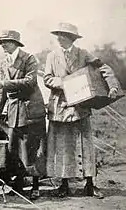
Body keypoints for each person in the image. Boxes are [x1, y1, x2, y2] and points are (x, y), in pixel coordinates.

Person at [44, 22, 119, 198]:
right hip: (60, 106)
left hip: (81, 106)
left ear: (71, 38)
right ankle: (64, 184)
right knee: (62, 146)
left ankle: (90, 184)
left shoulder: (83, 54)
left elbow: (103, 68)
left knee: (85, 145)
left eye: (62, 35)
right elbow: (47, 79)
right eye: (58, 35)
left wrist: (112, 85)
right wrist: (67, 83)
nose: (59, 38)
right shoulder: (51, 56)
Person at [0, 30, 46, 197]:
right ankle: (19, 183)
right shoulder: (3, 62)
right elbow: (2, 92)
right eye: (1, 42)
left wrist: (5, 82)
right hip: (14, 110)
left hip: (30, 109)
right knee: (13, 148)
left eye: (6, 42)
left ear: (15, 43)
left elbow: (30, 82)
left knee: (32, 149)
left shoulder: (29, 58)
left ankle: (36, 186)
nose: (3, 45)